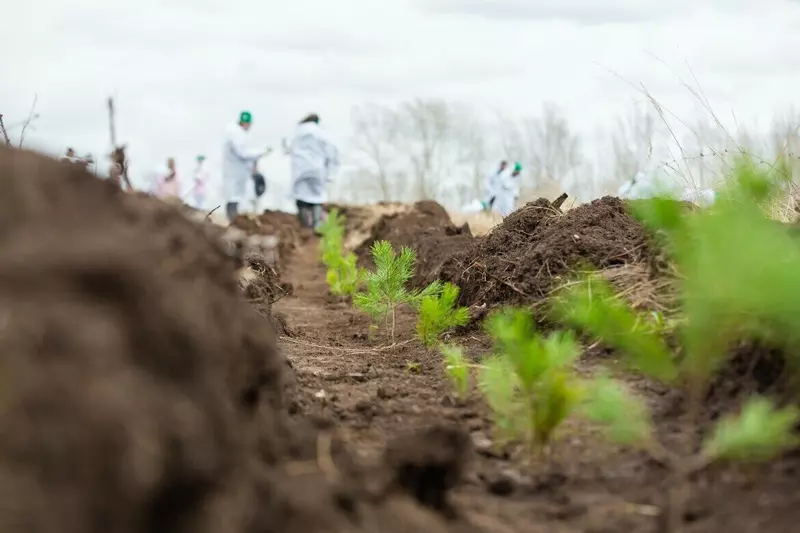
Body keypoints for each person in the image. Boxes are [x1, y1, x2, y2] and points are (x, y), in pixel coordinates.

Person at [288, 113, 340, 231]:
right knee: (317, 197)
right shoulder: (320, 133)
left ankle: (305, 226)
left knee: (301, 197)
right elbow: (332, 151)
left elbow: (287, 148)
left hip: (299, 169)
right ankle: (317, 224)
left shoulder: (296, 133)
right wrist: (330, 172)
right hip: (317, 168)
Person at [223, 111, 271, 222]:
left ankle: (237, 221)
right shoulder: (235, 133)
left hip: (241, 174)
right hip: (235, 173)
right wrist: (262, 152)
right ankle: (234, 221)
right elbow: (243, 153)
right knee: (234, 198)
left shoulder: (240, 134)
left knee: (238, 198)